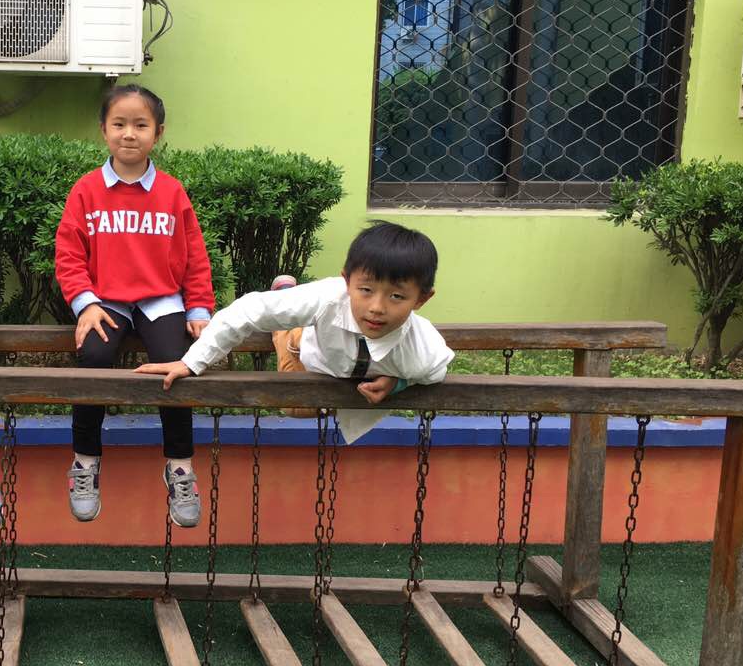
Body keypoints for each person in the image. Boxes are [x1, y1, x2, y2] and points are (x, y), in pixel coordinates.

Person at [54, 85, 215, 527]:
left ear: (157, 133)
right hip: (105, 301)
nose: (129, 133)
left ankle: (180, 466)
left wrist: (199, 309)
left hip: (160, 299)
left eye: (140, 125)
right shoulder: (87, 190)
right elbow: (68, 254)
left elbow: (195, 256)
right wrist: (85, 303)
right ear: (104, 130)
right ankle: (85, 460)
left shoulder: (171, 192)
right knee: (94, 359)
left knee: (173, 365)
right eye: (119, 124)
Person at [136, 221, 453, 443]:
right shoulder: (328, 298)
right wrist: (192, 362)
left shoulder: (422, 347)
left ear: (421, 299)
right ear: (346, 282)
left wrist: (397, 383)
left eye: (396, 296)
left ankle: (288, 298)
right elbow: (248, 310)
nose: (377, 308)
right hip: (309, 351)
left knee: (316, 405)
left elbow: (436, 370)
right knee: (292, 402)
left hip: (348, 372)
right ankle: (288, 319)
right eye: (366, 290)